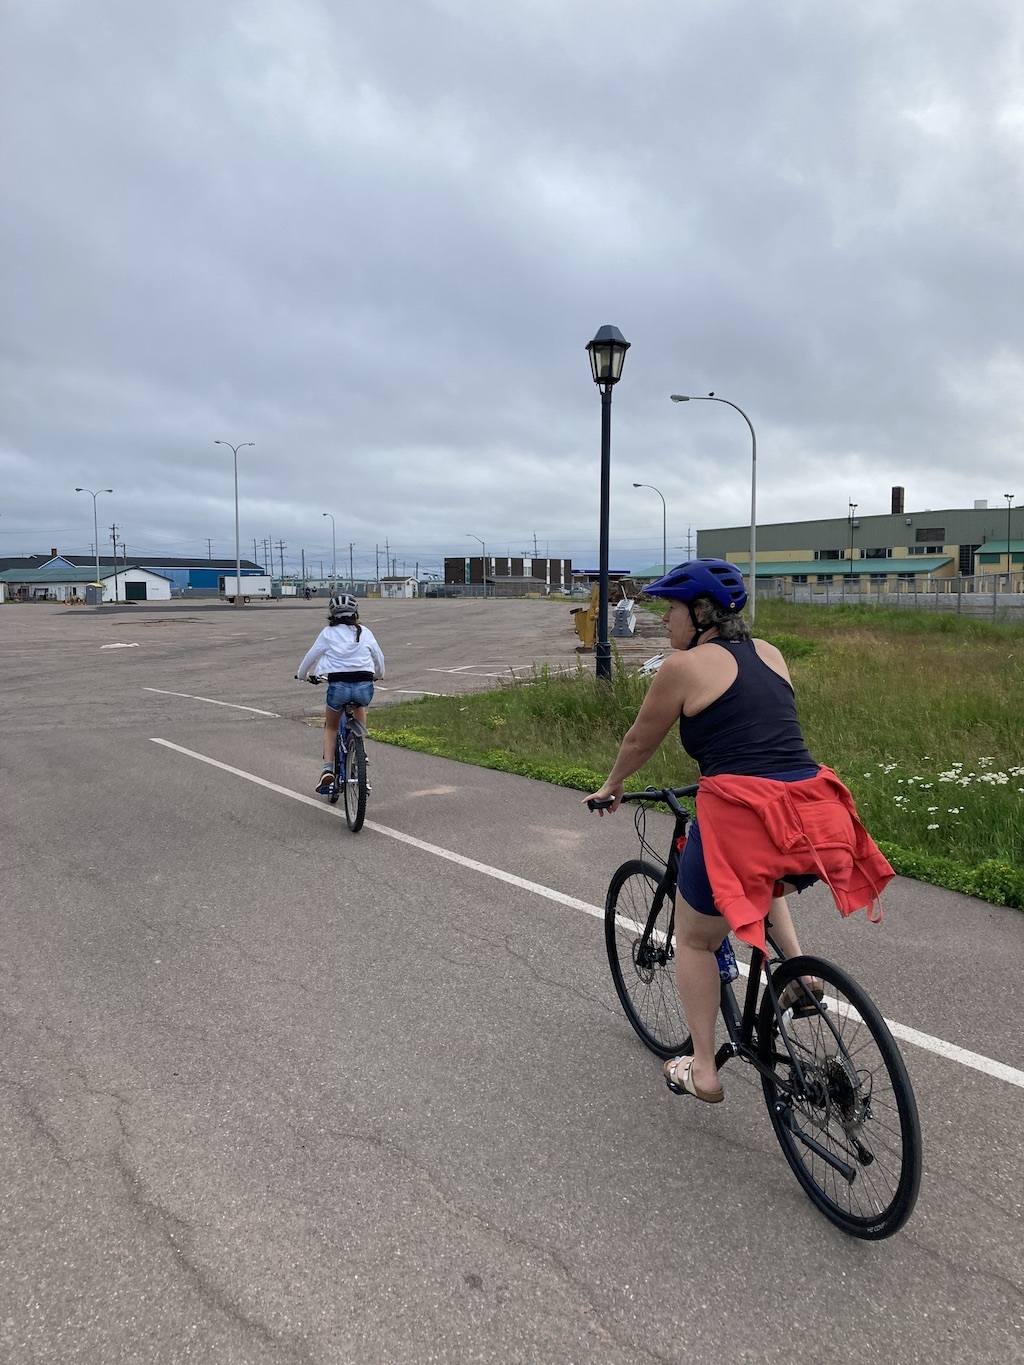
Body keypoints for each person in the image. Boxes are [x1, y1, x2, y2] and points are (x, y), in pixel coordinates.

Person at [585, 558, 892, 1106]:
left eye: (672, 610)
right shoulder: (771, 654)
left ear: (700, 614)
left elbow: (638, 742)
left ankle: (703, 1067)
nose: (666, 622)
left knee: (697, 939)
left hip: (746, 817)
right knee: (760, 878)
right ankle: (797, 976)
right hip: (814, 817)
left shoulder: (683, 667)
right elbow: (761, 734)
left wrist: (612, 786)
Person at [295, 595, 385, 793]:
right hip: (363, 684)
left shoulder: (328, 633)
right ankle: (361, 752)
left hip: (338, 686)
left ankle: (327, 769)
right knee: (360, 707)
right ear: (355, 612)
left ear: (332, 614)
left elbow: (311, 656)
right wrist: (378, 675)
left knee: (331, 727)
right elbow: (378, 657)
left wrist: (303, 676)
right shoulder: (365, 632)